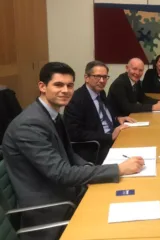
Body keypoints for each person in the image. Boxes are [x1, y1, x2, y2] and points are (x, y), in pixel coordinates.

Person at [1, 62, 145, 240]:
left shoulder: (51, 115)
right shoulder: (29, 125)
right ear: (42, 86)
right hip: (50, 210)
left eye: (69, 85)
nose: (65, 90)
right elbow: (62, 174)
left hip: (67, 192)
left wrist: (93, 169)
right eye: (58, 85)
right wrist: (117, 169)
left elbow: (70, 154)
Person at [64, 61, 136, 164]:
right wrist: (109, 137)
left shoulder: (101, 92)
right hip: (96, 147)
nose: (102, 81)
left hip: (113, 137)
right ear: (86, 78)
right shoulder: (76, 100)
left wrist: (117, 119)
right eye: (97, 77)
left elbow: (101, 116)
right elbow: (74, 134)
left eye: (105, 77)